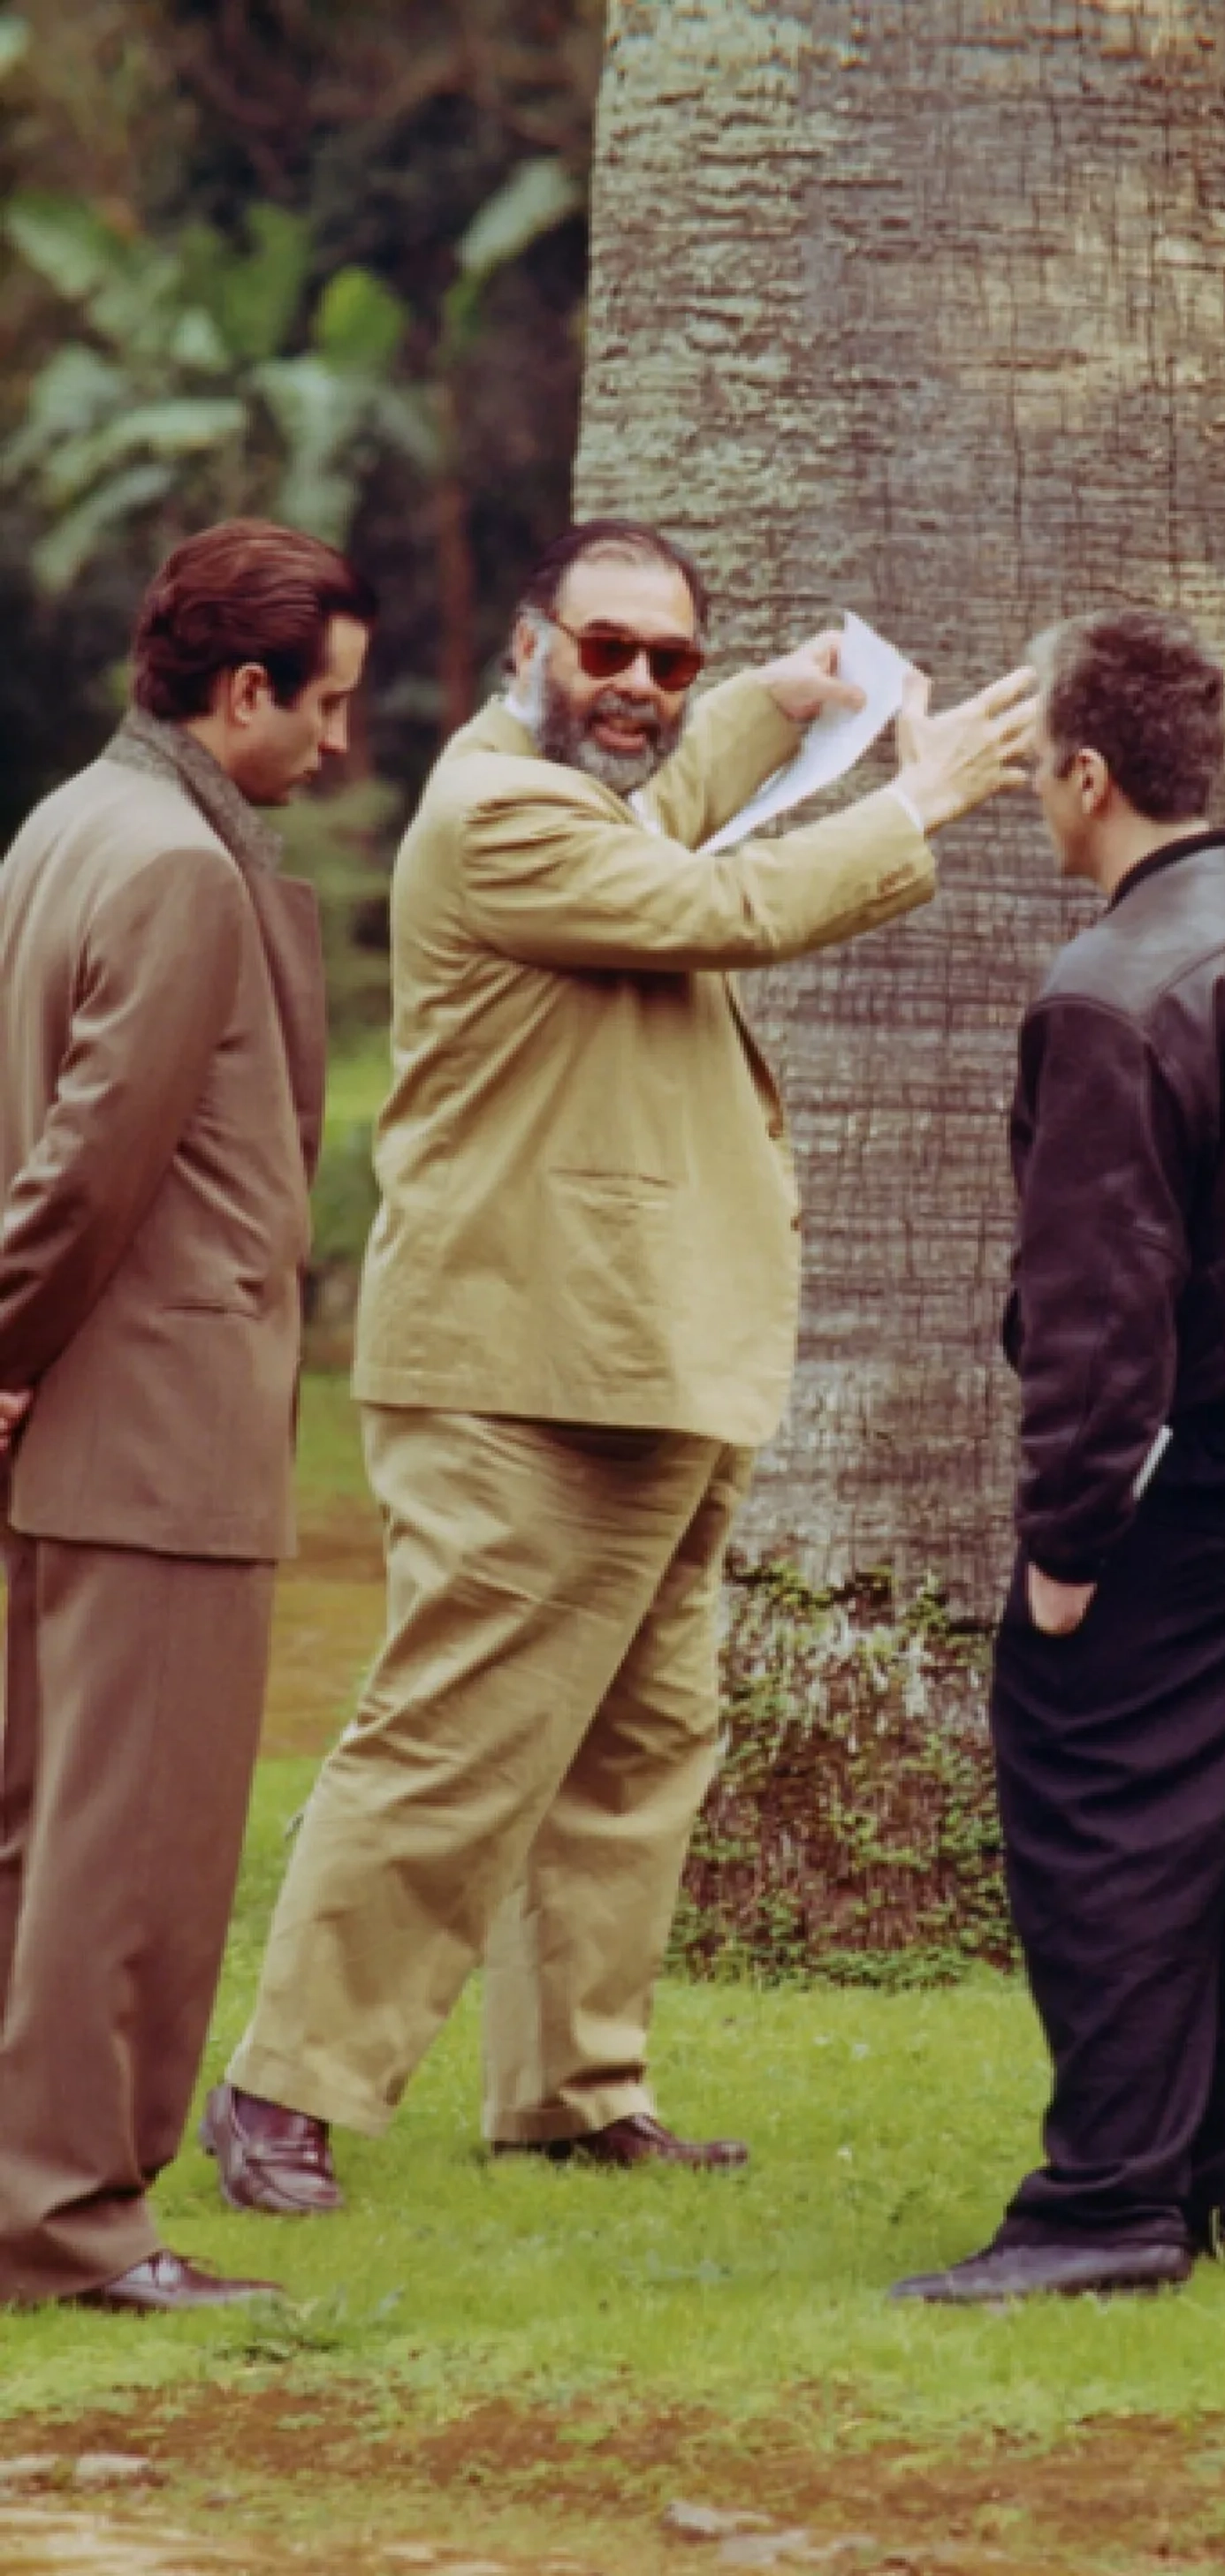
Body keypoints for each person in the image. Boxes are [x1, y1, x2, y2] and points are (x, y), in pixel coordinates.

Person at [204, 519, 1039, 2215]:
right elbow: (712, 892)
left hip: (644, 1364)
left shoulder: (581, 786)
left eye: (670, 657)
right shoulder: (499, 812)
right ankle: (282, 2089)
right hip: (531, 1369)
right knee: (454, 1737)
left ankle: (574, 2090)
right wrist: (917, 796)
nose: (642, 686)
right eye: (609, 651)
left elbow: (664, 798)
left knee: (639, 1743)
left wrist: (773, 698)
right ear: (531, 647)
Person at [893, 607, 1225, 2306]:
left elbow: (1096, 1315)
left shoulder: (1112, 996)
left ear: (1088, 770)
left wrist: (1064, 1548)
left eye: (1037, 764)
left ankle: (1107, 2208)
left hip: (1194, 1468)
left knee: (1103, 1809)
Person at [0, 520, 376, 2310]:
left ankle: (36, 2192)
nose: (344, 742)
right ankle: (75, 2226)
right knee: (125, 1850)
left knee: (45, 1828)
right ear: (245, 693)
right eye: (332, 704)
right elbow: (83, 1171)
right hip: (147, 1427)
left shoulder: (68, 821)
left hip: (89, 1423)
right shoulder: (168, 862)